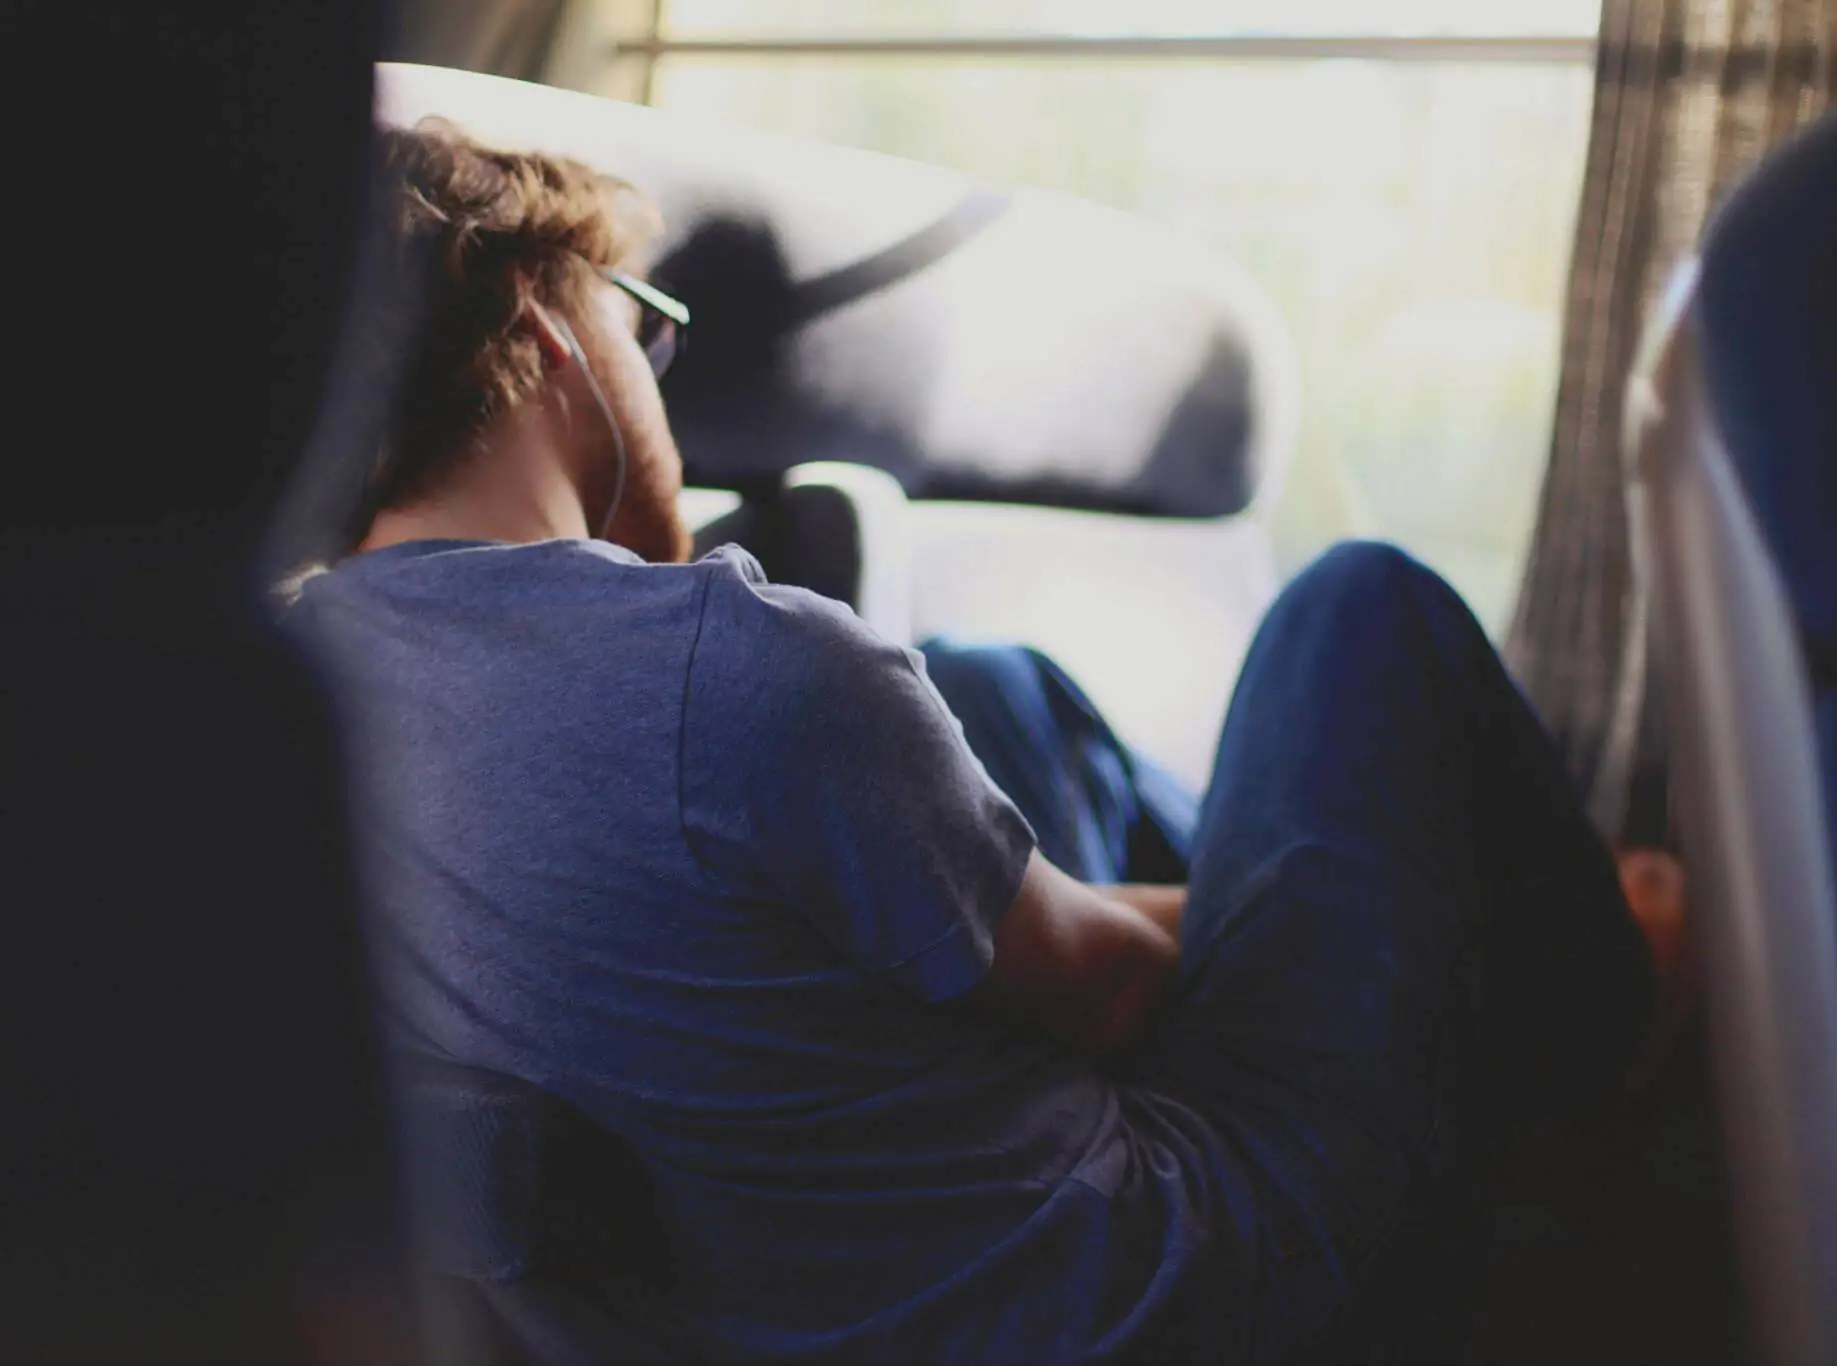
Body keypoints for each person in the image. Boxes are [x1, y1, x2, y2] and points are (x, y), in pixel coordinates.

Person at [284, 120, 1656, 1365]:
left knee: (988, 686)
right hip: (1183, 1295)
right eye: (645, 330)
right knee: (1354, 612)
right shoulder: (724, 658)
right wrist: (1328, 891)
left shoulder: (270, 708)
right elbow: (1113, 991)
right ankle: (1627, 1020)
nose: (664, 389)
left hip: (792, 1299)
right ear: (549, 320)